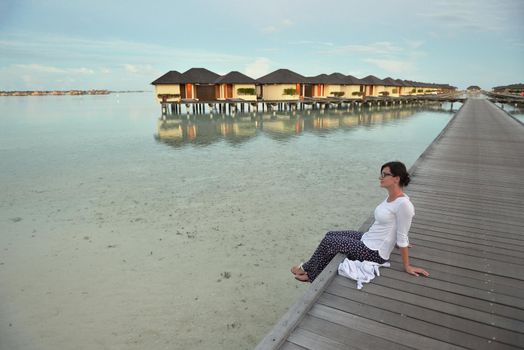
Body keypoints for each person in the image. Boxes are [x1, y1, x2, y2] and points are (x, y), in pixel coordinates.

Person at [291, 161, 429, 282]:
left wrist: (407, 266)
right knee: (330, 234)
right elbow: (391, 226)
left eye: (384, 174)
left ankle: (309, 273)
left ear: (396, 179)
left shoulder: (404, 204)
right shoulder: (390, 198)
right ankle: (309, 269)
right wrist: (395, 242)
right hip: (367, 239)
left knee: (330, 242)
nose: (380, 177)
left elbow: (403, 234)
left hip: (374, 252)